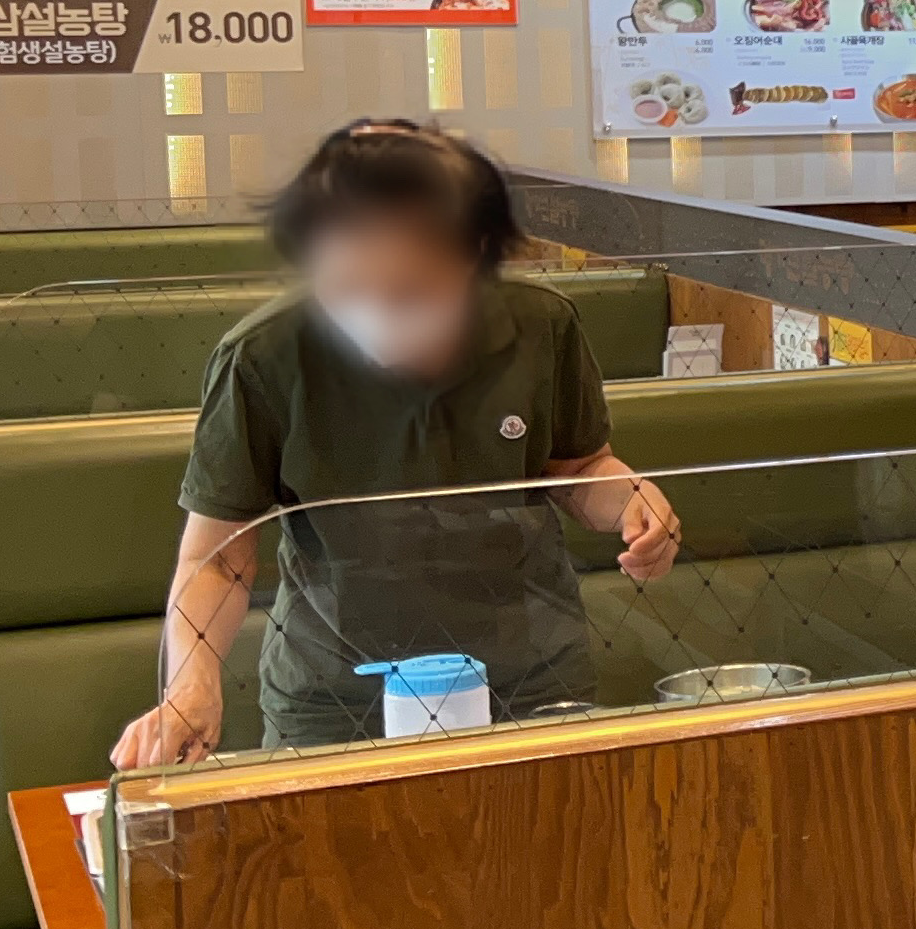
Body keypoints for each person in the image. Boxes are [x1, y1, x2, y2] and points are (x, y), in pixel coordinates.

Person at [110, 122, 682, 764]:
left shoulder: (540, 327)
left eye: (412, 290)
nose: (379, 312)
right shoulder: (262, 358)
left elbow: (578, 469)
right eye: (347, 290)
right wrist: (191, 684)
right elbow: (216, 559)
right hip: (336, 697)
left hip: (526, 678)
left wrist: (633, 501)